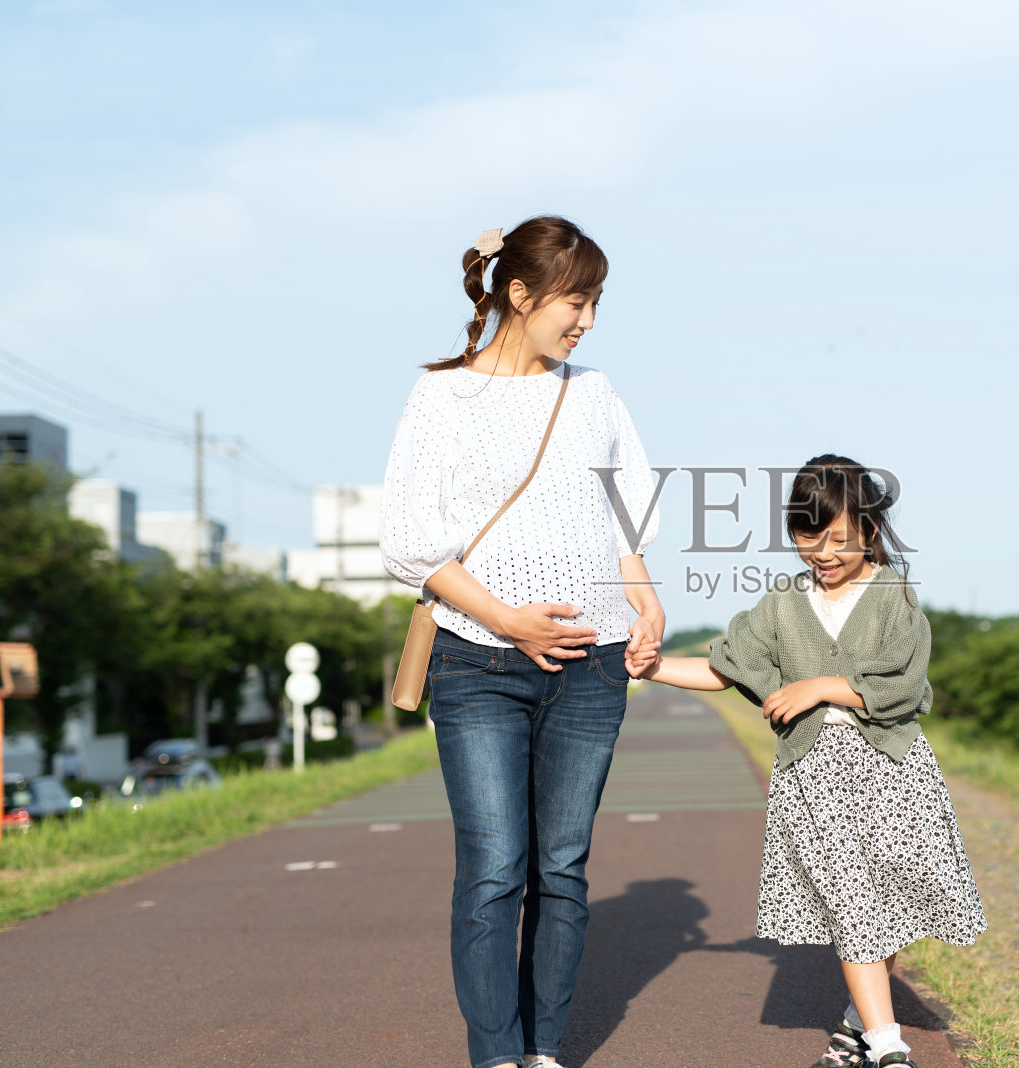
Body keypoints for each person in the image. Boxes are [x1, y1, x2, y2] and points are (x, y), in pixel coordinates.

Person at [379, 216, 665, 1068]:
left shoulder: (595, 393)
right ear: (519, 294)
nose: (588, 321)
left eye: (596, 303)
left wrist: (645, 601)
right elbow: (411, 543)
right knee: (495, 867)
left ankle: (543, 1052)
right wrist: (506, 619)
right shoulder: (442, 397)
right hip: (478, 661)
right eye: (576, 302)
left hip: (590, 663)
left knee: (563, 869)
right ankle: (496, 1054)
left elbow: (626, 513)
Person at [641, 455, 986, 1068]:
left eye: (838, 538)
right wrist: (654, 667)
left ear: (869, 531)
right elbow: (726, 668)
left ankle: (855, 1028)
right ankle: (889, 1048)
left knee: (888, 900)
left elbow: (905, 686)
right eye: (807, 537)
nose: (822, 553)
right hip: (815, 774)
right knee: (853, 904)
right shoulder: (782, 605)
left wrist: (821, 686)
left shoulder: (893, 596)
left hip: (892, 769)